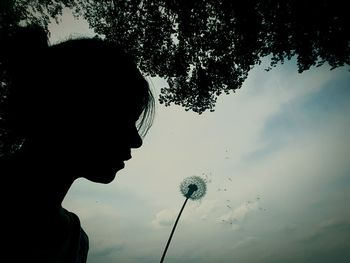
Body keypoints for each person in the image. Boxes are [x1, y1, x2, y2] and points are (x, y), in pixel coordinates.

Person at [0, 24, 155, 262]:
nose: (137, 141)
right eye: (123, 119)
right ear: (73, 110)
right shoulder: (74, 241)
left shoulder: (77, 240)